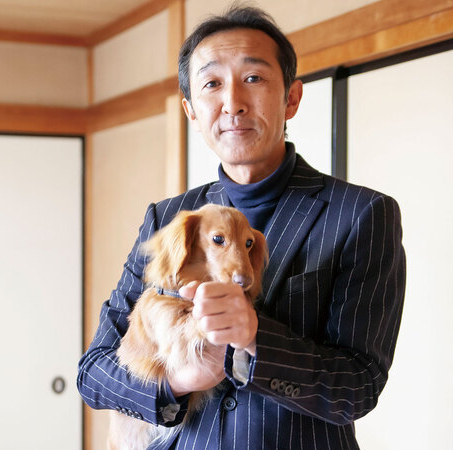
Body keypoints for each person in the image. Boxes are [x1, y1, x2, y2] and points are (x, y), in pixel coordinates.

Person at [78, 6, 406, 449]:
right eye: (212, 84)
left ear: (291, 98)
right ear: (191, 110)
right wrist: (178, 382)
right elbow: (93, 373)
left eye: (253, 78)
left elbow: (358, 386)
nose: (232, 103)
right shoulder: (169, 217)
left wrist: (255, 337)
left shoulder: (362, 214)